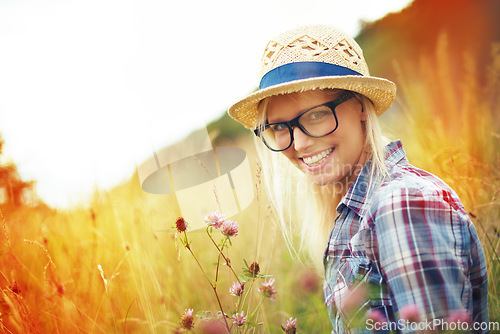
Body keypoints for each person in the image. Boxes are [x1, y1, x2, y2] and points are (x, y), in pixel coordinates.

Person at [228, 25, 488, 333]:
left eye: (315, 115)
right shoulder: (354, 210)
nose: (297, 145)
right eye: (280, 128)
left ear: (360, 107)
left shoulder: (400, 205)